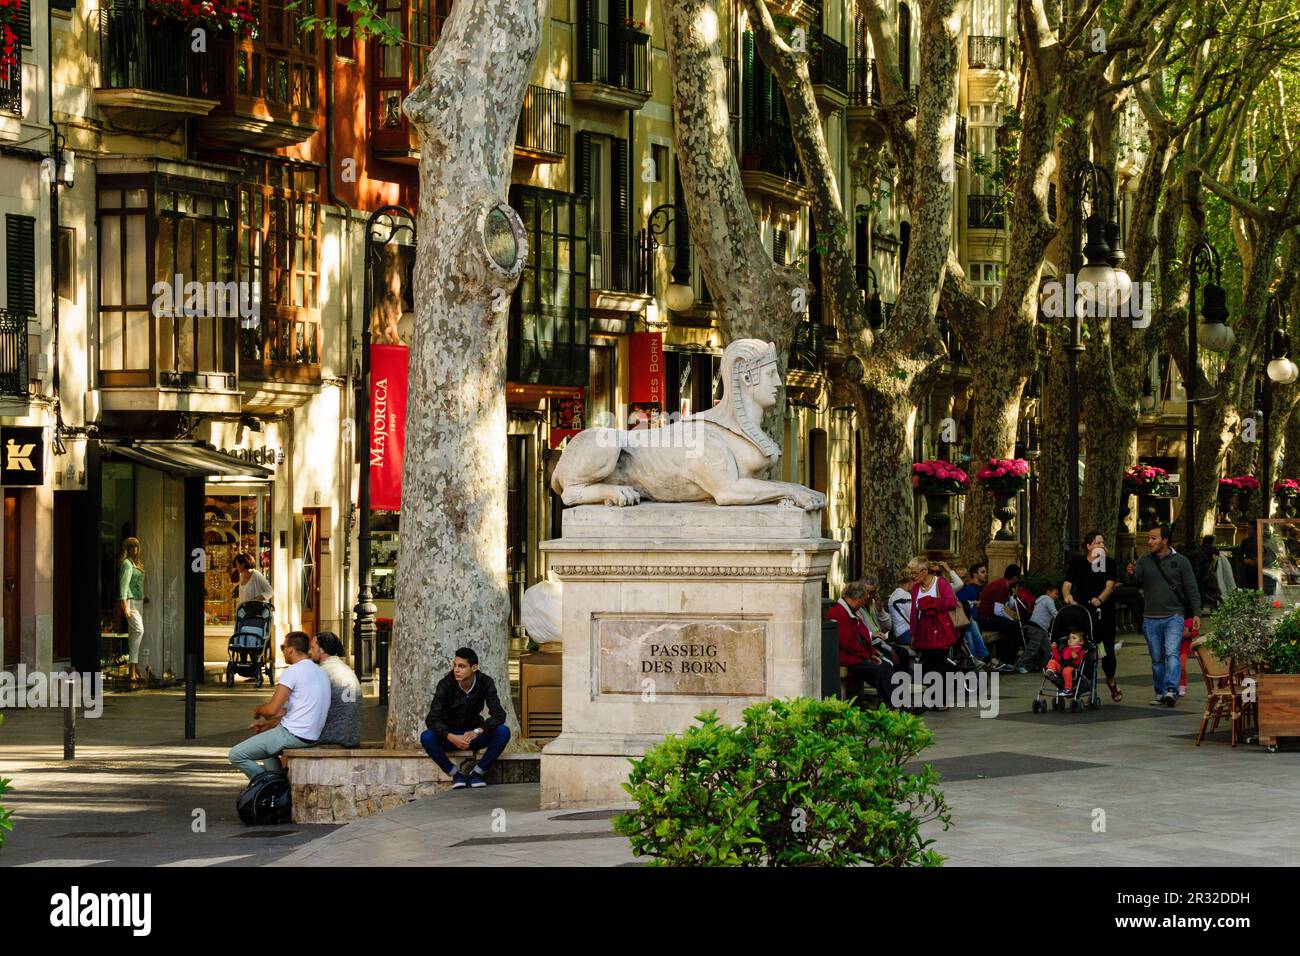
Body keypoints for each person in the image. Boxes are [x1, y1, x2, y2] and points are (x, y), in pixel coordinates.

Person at [228, 631, 331, 780]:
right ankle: (278, 783)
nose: (282, 651)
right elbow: (293, 710)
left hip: (293, 735)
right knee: (266, 751)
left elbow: (271, 710)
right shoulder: (320, 672)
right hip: (311, 736)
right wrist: (268, 725)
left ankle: (269, 787)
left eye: (283, 647)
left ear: (290, 649)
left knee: (237, 754)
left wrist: (258, 710)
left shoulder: (293, 671)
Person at [1126, 524, 1201, 707]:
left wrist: (1197, 613)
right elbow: (1136, 582)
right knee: (1157, 658)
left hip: (1174, 616)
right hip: (1151, 617)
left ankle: (1171, 690)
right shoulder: (1144, 560)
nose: (1149, 542)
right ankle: (1160, 691)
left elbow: (1192, 589)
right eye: (1149, 538)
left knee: (1172, 653)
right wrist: (1130, 573)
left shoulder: (1181, 561)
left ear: (1165, 540)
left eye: (1153, 538)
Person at [420, 647, 511, 789]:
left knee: (503, 731)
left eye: (462, 666)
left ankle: (477, 773)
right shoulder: (446, 684)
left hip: (473, 735)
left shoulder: (485, 682)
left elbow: (499, 714)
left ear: (474, 667)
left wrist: (477, 732)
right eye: (455, 665)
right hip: (450, 735)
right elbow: (432, 719)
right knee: (426, 737)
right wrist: (451, 737)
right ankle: (456, 775)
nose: (456, 670)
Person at [1064, 531, 1121, 701]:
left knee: (1107, 652)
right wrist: (1067, 595)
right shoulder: (1078, 563)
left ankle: (1111, 680)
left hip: (1104, 613)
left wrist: (1100, 599)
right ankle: (1085, 684)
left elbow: (1109, 586)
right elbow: (1067, 584)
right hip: (1084, 613)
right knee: (1087, 650)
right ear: (1088, 546)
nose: (1102, 546)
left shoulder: (1109, 563)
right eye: (1098, 543)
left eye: (1103, 543)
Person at [826, 582, 898, 706]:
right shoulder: (838, 612)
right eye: (863, 600)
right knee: (880, 671)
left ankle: (895, 703)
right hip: (847, 657)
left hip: (856, 655)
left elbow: (863, 636)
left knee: (886, 666)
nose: (863, 604)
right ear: (857, 599)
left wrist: (872, 654)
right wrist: (867, 655)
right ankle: (894, 705)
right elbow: (848, 643)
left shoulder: (850, 611)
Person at [907, 556, 960, 708]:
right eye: (912, 573)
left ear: (924, 571)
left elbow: (951, 601)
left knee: (939, 665)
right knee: (928, 666)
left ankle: (942, 700)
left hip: (939, 630)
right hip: (923, 632)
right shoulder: (916, 587)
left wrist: (931, 603)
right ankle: (932, 697)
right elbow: (913, 612)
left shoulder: (940, 583)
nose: (913, 576)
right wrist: (913, 633)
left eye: (915, 573)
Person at [310, 631, 363, 747]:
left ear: (322, 650)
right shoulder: (345, 669)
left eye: (312, 647)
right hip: (352, 736)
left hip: (330, 738)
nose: (310, 652)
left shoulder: (321, 672)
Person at [976, 563, 1023, 660]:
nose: (1019, 581)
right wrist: (1010, 619)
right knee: (1015, 627)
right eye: (1018, 578)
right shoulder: (1002, 586)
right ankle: (1008, 660)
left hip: (989, 617)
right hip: (986, 618)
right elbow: (998, 611)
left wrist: (1013, 594)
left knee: (1013, 626)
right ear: (1014, 577)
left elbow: (1012, 606)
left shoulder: (1003, 584)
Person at [117, 537, 147, 684]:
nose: (134, 549)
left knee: (133, 635)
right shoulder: (127, 564)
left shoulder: (137, 564)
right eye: (131, 547)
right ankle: (132, 667)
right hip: (131, 601)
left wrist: (144, 597)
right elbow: (124, 585)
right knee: (139, 630)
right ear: (127, 549)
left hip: (138, 601)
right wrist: (124, 605)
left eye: (136, 546)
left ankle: (134, 668)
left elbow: (137, 583)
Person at [1016, 583, 1060, 672]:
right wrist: (1062, 617)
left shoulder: (1041, 601)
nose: (1057, 596)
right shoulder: (1048, 600)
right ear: (1048, 592)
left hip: (1040, 628)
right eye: (1055, 593)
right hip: (1037, 628)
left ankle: (1042, 667)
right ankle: (1020, 665)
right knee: (1033, 648)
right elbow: (1054, 613)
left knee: (1047, 649)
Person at [887, 572, 915, 644]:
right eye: (914, 581)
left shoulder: (894, 594)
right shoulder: (905, 596)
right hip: (906, 633)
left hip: (898, 633)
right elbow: (913, 617)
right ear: (910, 582)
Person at [1178, 616, 1199, 697]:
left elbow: (1196, 632)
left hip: (1184, 649)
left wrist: (1188, 634)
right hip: (1173, 647)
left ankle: (1182, 685)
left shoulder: (1189, 619)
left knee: (1182, 666)